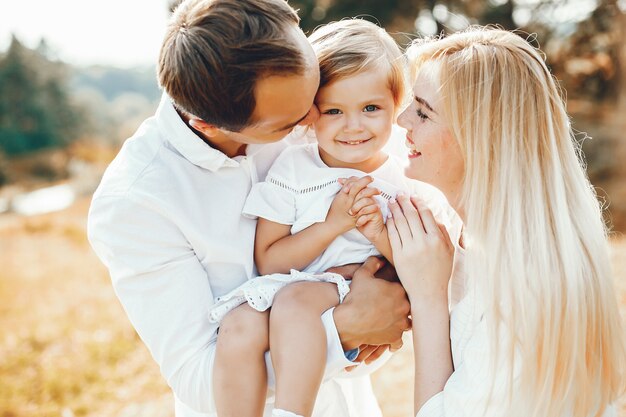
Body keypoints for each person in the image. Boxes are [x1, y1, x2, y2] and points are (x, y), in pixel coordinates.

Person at [87, 1, 411, 417]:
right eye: (289, 124)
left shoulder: (322, 112)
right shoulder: (136, 203)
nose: (316, 118)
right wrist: (344, 329)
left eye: (316, 95)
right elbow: (198, 378)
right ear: (207, 124)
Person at [208, 19, 462, 417]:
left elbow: (419, 267)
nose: (354, 126)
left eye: (371, 108)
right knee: (238, 328)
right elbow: (269, 261)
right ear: (310, 114)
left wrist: (375, 231)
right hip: (293, 283)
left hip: (355, 293)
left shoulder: (402, 178)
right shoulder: (293, 169)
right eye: (334, 111)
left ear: (397, 105)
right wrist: (333, 224)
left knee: (295, 303)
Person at [380, 26, 626, 417]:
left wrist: (428, 300)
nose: (403, 120)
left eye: (423, 112)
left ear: (480, 138)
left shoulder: (525, 284)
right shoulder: (469, 234)